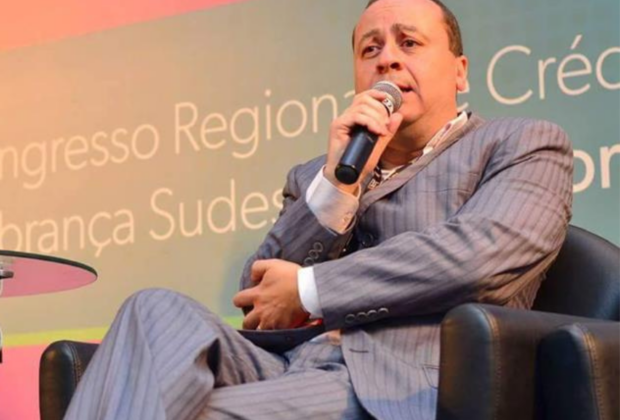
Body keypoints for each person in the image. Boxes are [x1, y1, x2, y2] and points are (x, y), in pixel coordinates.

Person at [64, 0, 573, 419]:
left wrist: (312, 290)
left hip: (399, 383)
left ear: (460, 71)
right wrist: (336, 188)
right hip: (285, 365)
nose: (387, 60)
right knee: (152, 308)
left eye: (409, 43)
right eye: (370, 49)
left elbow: (481, 257)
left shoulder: (522, 143)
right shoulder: (317, 176)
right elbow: (258, 300)